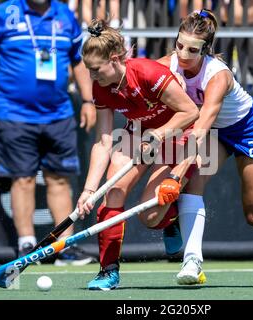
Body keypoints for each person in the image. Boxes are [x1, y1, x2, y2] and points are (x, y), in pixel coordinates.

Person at [157, 9, 253, 285]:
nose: (183, 54)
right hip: (217, 133)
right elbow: (141, 75)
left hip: (247, 129)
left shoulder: (217, 76)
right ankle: (192, 262)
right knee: (194, 183)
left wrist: (176, 174)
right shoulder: (169, 63)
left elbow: (201, 127)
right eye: (179, 45)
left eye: (192, 50)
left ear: (205, 50)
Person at [0, 0, 97, 265]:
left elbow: (79, 59)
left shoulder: (64, 14)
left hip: (59, 113)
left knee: (60, 179)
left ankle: (63, 246)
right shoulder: (6, 12)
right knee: (23, 179)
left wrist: (88, 101)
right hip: (13, 114)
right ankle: (26, 245)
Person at [76, 19, 199, 290]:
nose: (92, 76)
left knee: (151, 217)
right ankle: (108, 271)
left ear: (115, 59)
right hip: (139, 134)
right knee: (113, 194)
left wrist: (158, 135)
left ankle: (171, 218)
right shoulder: (101, 87)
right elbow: (103, 140)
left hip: (179, 135)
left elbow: (191, 111)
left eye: (96, 70)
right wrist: (88, 190)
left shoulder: (147, 73)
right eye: (88, 70)